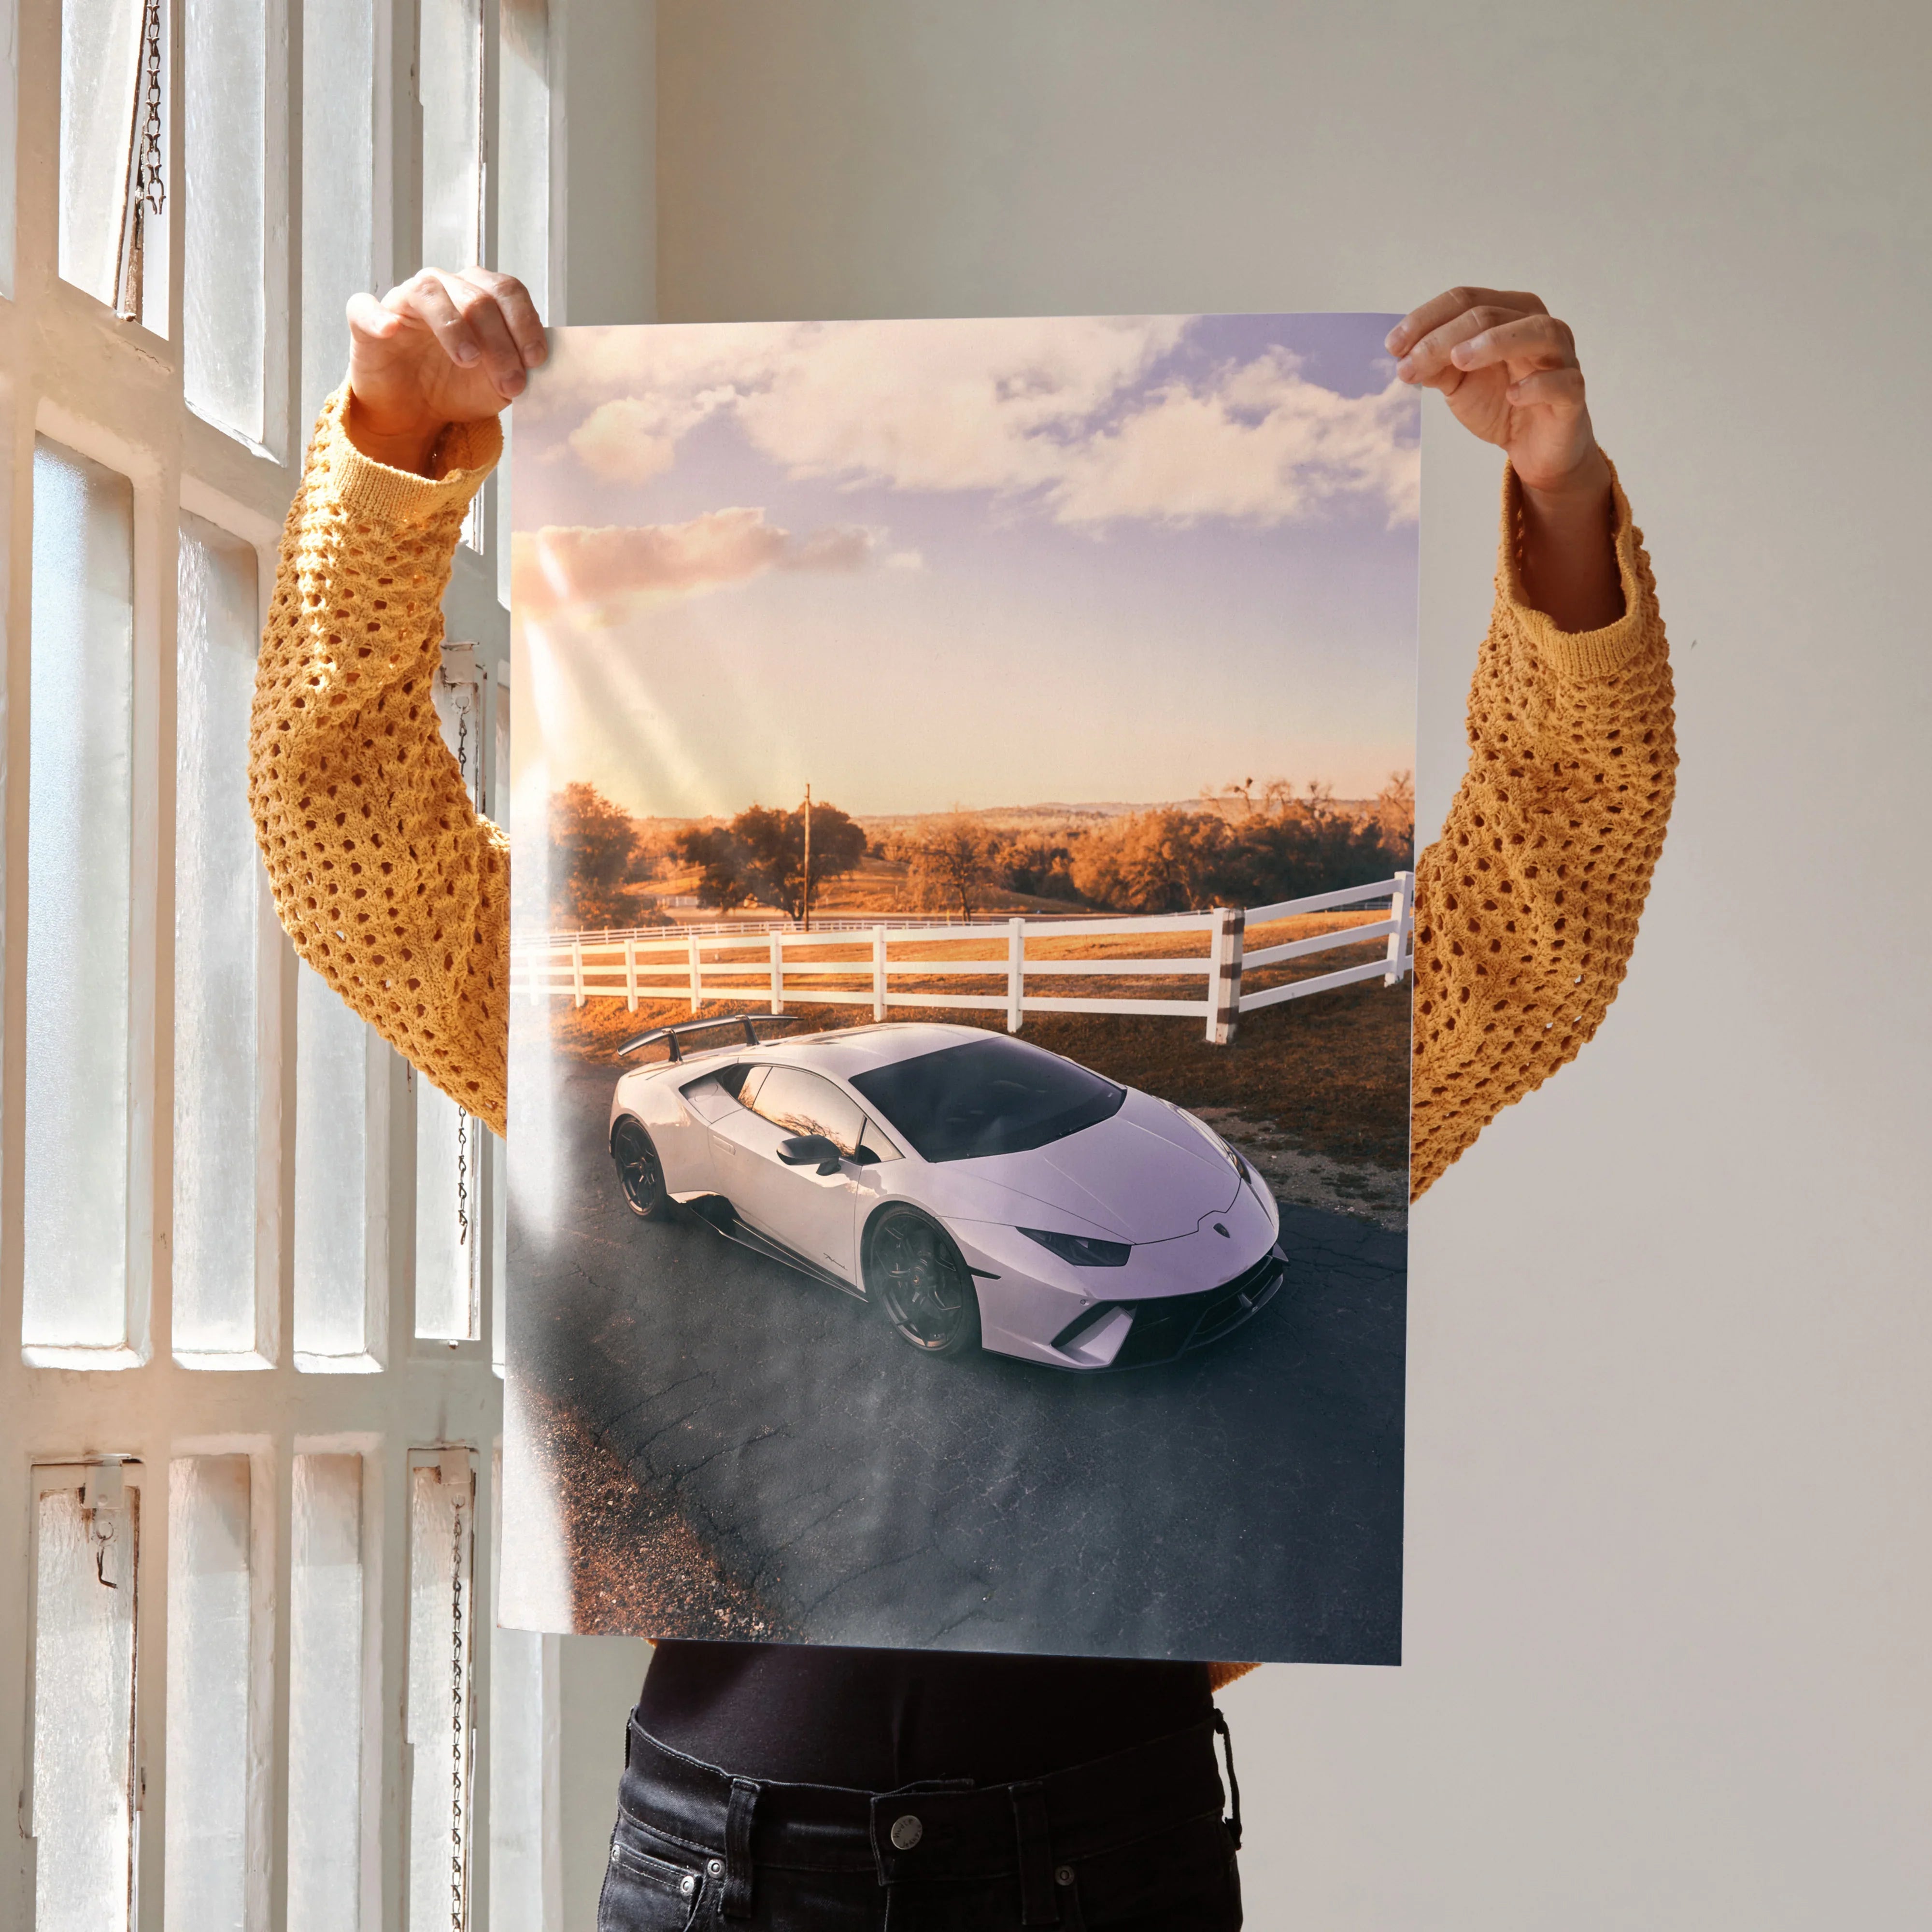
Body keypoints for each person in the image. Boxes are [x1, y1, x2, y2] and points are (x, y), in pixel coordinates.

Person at [250, 272, 1674, 1930]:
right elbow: (346, 841)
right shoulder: (610, 1043)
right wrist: (391, 450)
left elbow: (1544, 916)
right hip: (732, 1864)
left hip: (1103, 1845)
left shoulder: (1172, 1122)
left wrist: (1560, 499)